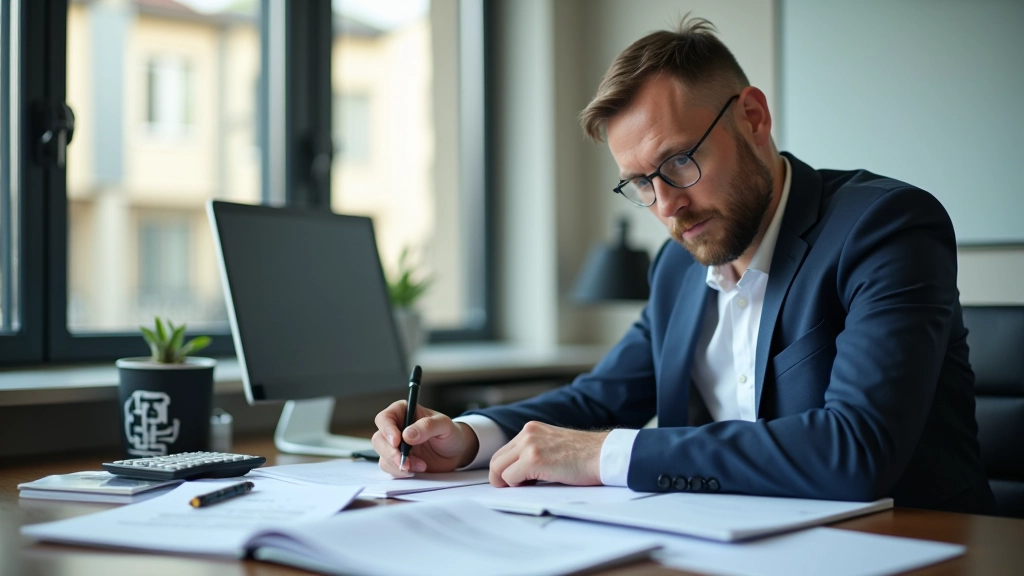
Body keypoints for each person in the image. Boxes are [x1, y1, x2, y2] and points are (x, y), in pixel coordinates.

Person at [371, 17, 995, 514]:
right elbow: (598, 399)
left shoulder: (885, 226)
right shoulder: (677, 267)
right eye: (639, 183)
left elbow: (855, 449)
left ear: (753, 118)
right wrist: (469, 438)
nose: (667, 205)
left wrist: (606, 456)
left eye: (678, 162)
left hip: (913, 550)